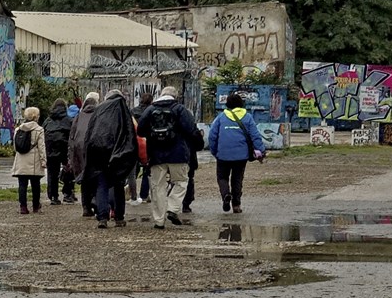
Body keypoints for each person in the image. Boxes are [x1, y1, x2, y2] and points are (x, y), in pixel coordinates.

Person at [138, 86, 202, 228]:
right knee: (181, 182)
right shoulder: (180, 109)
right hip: (178, 154)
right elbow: (191, 130)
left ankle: (159, 221)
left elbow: (141, 131)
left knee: (157, 187)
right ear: (175, 96)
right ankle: (173, 208)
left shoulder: (150, 110)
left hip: (156, 155)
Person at [82, 88, 136, 226]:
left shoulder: (99, 109)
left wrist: (87, 154)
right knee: (118, 183)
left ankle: (102, 217)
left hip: (98, 150)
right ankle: (119, 217)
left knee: (102, 184)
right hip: (117, 151)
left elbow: (90, 132)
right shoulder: (122, 109)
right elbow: (128, 131)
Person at [208, 90, 260, 213]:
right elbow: (255, 135)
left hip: (223, 154)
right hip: (241, 155)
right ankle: (236, 206)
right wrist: (261, 150)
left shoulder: (221, 117)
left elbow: (212, 136)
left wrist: (214, 151)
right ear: (241, 103)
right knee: (237, 179)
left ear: (227, 104)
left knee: (222, 177)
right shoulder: (247, 117)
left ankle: (226, 195)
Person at [68, 90, 102, 216]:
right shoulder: (99, 115)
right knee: (97, 177)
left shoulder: (78, 116)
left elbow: (72, 137)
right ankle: (95, 201)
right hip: (94, 148)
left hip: (79, 150)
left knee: (84, 178)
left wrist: (71, 156)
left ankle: (86, 207)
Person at [9, 105, 45, 211]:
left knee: (22, 185)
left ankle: (23, 207)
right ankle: (35, 205)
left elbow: (15, 147)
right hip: (34, 161)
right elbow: (41, 147)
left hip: (21, 160)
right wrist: (43, 160)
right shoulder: (39, 130)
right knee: (35, 185)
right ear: (36, 117)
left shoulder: (18, 129)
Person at [45, 96, 75, 208]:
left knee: (52, 174)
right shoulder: (69, 120)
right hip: (64, 149)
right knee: (69, 170)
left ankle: (53, 196)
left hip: (50, 150)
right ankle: (68, 193)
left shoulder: (48, 121)